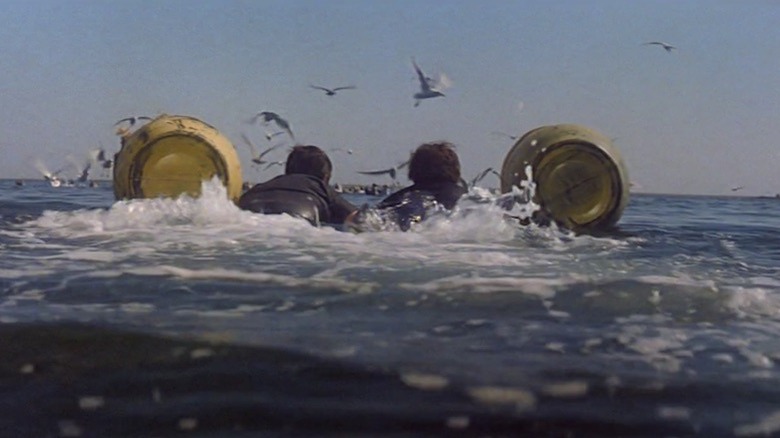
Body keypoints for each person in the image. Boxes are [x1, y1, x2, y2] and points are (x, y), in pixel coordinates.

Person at [356, 141, 467, 231]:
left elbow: (364, 225)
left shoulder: (398, 199)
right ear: (456, 169)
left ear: (413, 169)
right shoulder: (469, 198)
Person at [238, 145, 357, 226]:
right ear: (325, 177)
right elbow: (356, 218)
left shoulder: (258, 188)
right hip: (296, 224)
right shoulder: (320, 187)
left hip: (248, 218)